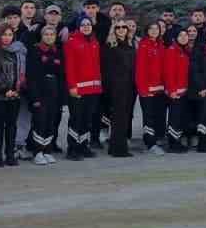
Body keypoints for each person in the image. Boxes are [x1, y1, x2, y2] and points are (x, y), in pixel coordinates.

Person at [0, 22, 25, 167]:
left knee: (12, 125)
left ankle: (10, 154)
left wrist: (17, 89)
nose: (7, 38)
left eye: (10, 35)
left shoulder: (17, 52)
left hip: (15, 94)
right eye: (4, 35)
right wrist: (4, 90)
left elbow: (21, 72)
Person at [62, 15, 102, 160]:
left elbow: (97, 66)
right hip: (78, 89)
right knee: (76, 119)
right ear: (79, 26)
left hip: (93, 89)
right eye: (83, 24)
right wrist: (72, 87)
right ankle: (72, 149)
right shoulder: (71, 42)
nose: (86, 26)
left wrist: (98, 85)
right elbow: (70, 67)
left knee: (87, 119)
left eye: (89, 24)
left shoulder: (94, 42)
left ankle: (83, 146)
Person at [28, 24, 65, 164]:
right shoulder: (35, 51)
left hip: (54, 92)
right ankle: (37, 152)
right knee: (40, 122)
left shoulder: (58, 51)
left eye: (52, 35)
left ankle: (47, 150)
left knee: (51, 122)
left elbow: (61, 75)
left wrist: (62, 96)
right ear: (42, 36)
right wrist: (35, 97)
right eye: (46, 34)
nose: (49, 37)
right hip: (40, 92)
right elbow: (31, 76)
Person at [101, 16, 136, 157]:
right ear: (113, 30)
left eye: (124, 27)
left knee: (125, 118)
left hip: (130, 87)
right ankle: (117, 149)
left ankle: (121, 147)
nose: (121, 29)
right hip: (116, 88)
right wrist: (111, 89)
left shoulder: (130, 44)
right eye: (118, 27)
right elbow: (107, 70)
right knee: (118, 118)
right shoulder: (110, 46)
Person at [136, 21, 168, 155]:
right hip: (147, 90)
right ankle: (150, 143)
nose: (155, 31)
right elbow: (140, 70)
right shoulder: (143, 46)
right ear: (147, 31)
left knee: (159, 116)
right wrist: (143, 90)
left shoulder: (162, 45)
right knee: (148, 117)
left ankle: (158, 139)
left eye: (157, 29)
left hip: (161, 90)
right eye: (151, 28)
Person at [161, 28, 192, 153]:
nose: (184, 37)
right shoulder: (172, 50)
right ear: (175, 38)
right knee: (174, 118)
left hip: (183, 91)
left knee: (180, 118)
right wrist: (171, 90)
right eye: (181, 35)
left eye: (186, 35)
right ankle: (172, 143)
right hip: (175, 92)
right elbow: (168, 72)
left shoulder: (184, 50)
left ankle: (177, 141)